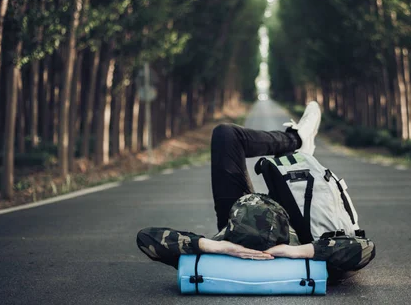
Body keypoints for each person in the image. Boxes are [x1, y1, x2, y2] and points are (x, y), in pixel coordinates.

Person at [136, 102, 375, 276]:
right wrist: (296, 251)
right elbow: (366, 248)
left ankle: (296, 142)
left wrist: (218, 246)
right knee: (284, 169)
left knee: (225, 134)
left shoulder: (227, 239)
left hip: (239, 228)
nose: (256, 197)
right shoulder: (303, 238)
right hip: (293, 231)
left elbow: (146, 237)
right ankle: (297, 144)